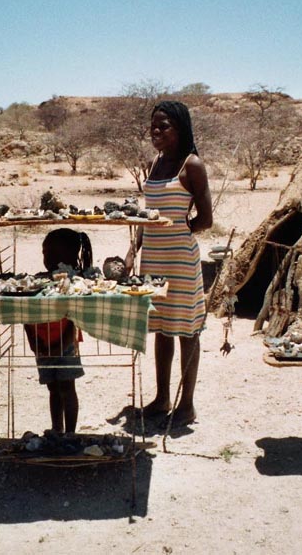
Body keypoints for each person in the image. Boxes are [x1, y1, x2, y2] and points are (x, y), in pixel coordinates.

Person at [125, 100, 213, 427]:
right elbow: (149, 214)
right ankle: (162, 399)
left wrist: (178, 227)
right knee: (161, 329)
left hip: (180, 259)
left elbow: (206, 219)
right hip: (153, 258)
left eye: (164, 126)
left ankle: (186, 405)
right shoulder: (156, 163)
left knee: (186, 331)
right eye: (153, 126)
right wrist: (135, 248)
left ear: (180, 129)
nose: (157, 132)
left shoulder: (192, 166)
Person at [24, 228, 93, 434]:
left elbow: (73, 319)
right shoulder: (37, 282)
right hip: (41, 342)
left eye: (54, 254)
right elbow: (26, 315)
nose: (48, 258)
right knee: (53, 388)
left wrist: (60, 344)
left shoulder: (73, 284)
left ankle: (70, 433)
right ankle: (57, 429)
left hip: (65, 343)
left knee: (67, 387)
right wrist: (35, 344)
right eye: (45, 253)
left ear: (70, 258)